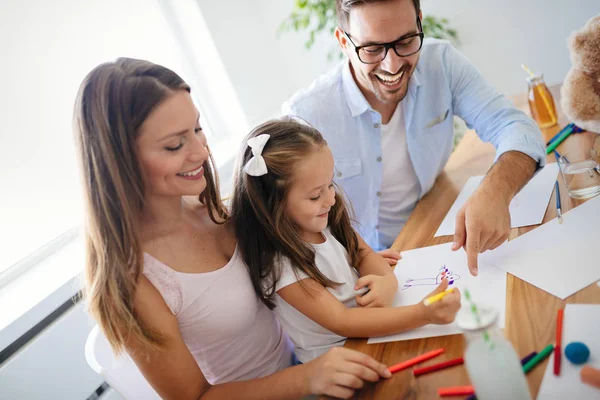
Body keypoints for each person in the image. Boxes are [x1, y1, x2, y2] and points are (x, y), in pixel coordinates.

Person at [74, 58, 393, 400]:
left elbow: (296, 254)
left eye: (197, 129)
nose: (200, 151)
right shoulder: (136, 280)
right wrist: (306, 379)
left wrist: (351, 262)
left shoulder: (218, 210)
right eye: (174, 145)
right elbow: (194, 397)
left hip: (313, 365)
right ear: (120, 160)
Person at [283, 0, 546, 275]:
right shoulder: (305, 116)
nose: (393, 65)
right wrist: (358, 261)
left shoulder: (441, 63)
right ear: (343, 42)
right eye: (372, 49)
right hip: (362, 265)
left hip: (435, 224)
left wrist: (496, 192)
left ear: (419, 22)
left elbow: (515, 127)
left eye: (406, 41)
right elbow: (292, 227)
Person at [230, 118, 461, 363]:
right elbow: (342, 321)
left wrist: (388, 281)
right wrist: (422, 314)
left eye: (330, 184)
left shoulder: (325, 216)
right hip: (338, 357)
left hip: (371, 333)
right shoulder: (281, 265)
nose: (330, 198)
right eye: (316, 195)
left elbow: (363, 253)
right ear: (272, 204)